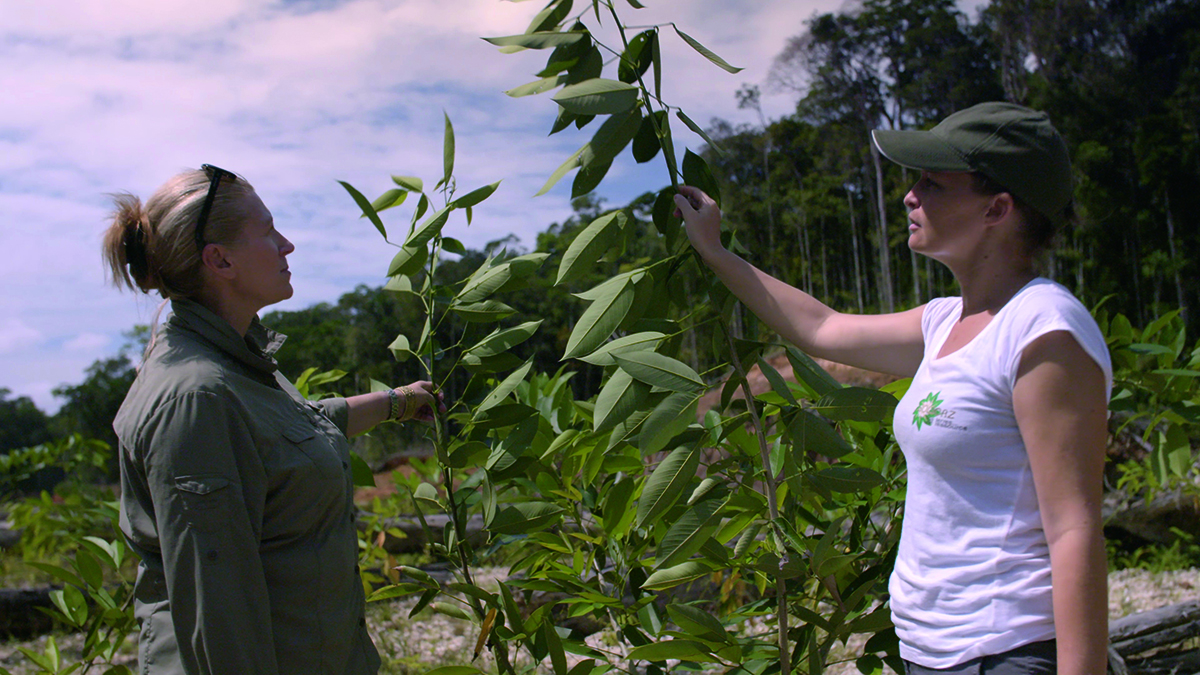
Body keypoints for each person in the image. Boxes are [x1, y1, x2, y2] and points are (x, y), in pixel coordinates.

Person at [674, 102, 1111, 674]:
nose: (910, 195)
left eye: (932, 183)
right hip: (931, 651)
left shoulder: (1043, 331)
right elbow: (821, 328)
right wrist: (715, 250)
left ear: (998, 208)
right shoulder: (943, 322)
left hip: (1007, 652)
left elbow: (1075, 528)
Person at [102, 164, 442, 675]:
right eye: (268, 231)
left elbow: (287, 435)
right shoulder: (195, 399)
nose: (287, 246)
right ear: (220, 260)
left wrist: (395, 401)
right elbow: (220, 616)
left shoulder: (234, 360)